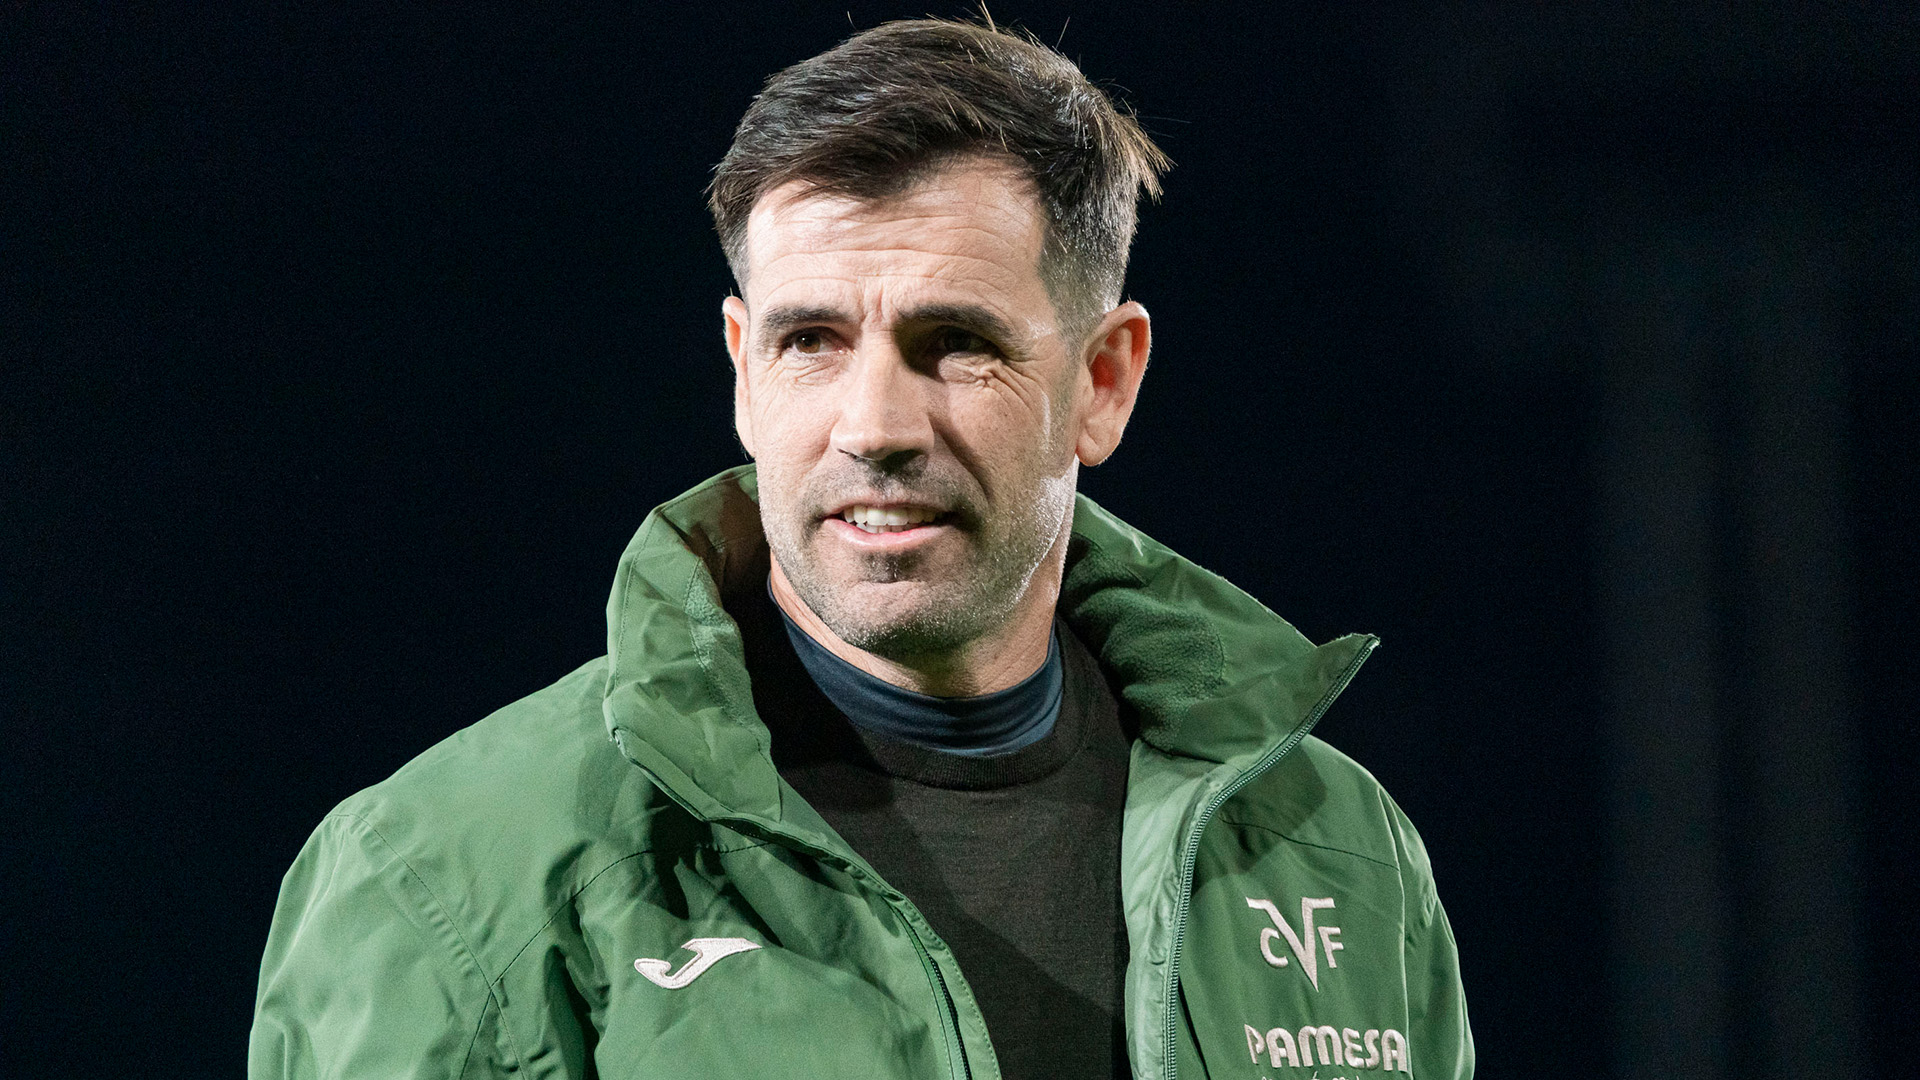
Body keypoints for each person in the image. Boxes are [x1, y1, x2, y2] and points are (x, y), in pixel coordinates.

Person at [248, 17, 1472, 1080]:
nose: (875, 426)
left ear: (1102, 382)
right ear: (743, 371)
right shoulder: (448, 879)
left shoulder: (1337, 853)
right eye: (811, 342)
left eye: (956, 344)